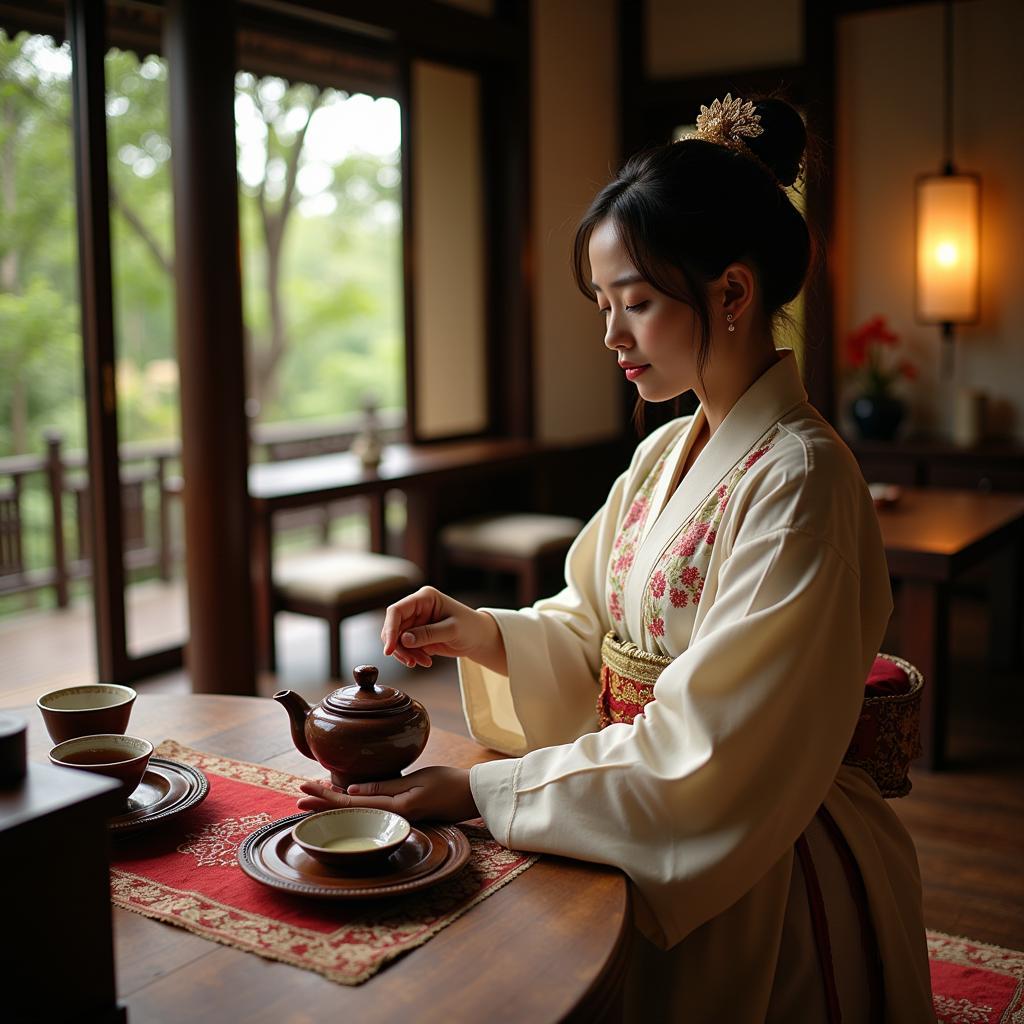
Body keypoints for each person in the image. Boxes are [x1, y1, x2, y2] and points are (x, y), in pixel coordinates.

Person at [297, 95, 935, 1022]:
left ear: (732, 292)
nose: (611, 336)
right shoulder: (662, 453)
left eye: (635, 302)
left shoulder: (802, 480)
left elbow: (715, 749)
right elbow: (592, 619)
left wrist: (477, 791)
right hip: (639, 807)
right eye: (603, 304)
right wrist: (486, 633)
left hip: (763, 854)